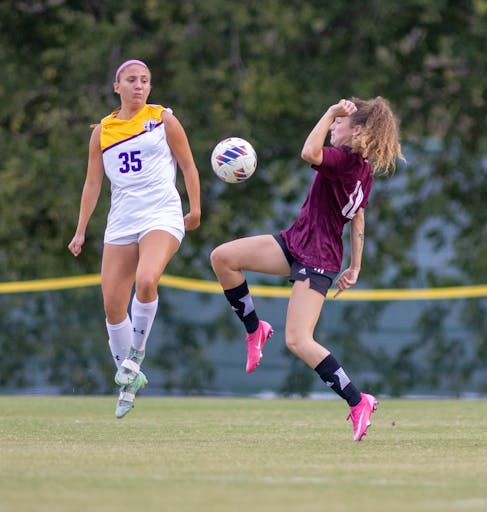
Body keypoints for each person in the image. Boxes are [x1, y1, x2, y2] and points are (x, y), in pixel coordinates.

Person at [210, 97, 403, 441]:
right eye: (333, 121)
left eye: (338, 124)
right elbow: (358, 216)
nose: (332, 127)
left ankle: (358, 401)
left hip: (318, 257)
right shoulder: (362, 167)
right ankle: (255, 329)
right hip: (296, 242)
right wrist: (356, 265)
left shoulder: (346, 162)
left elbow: (308, 153)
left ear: (356, 130)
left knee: (299, 340)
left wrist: (329, 110)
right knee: (223, 258)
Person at [68, 59, 201, 419]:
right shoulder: (103, 131)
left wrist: (196, 209)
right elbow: (93, 183)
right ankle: (131, 383)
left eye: (144, 81)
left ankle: (135, 356)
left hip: (161, 214)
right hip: (122, 221)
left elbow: (188, 165)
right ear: (117, 86)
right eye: (131, 80)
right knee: (113, 305)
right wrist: (81, 229)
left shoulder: (163, 119)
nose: (139, 86)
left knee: (146, 279)